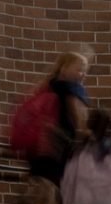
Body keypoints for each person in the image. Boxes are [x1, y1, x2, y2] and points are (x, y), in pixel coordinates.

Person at [10, 51, 90, 194]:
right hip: (58, 147)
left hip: (42, 151)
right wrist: (83, 135)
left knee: (42, 188)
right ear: (64, 69)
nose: (82, 74)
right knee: (55, 191)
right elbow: (78, 120)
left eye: (84, 71)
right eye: (79, 69)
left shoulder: (47, 87)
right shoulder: (71, 90)